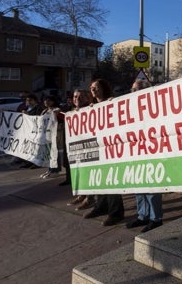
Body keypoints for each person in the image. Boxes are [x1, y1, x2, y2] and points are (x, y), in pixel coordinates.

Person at [82, 79, 125, 226]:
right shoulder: (92, 107)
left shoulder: (112, 102)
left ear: (104, 89)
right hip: (98, 148)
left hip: (112, 148)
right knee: (100, 178)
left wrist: (114, 104)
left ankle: (116, 212)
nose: (93, 90)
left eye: (96, 87)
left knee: (112, 180)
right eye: (91, 87)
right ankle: (101, 206)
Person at [126, 79, 164, 233]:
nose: (133, 93)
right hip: (135, 149)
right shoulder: (128, 106)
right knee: (138, 184)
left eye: (136, 90)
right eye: (132, 90)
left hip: (150, 149)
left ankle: (156, 218)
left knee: (151, 185)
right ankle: (143, 215)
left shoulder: (154, 105)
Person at [67, 89, 95, 206]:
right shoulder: (72, 112)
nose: (76, 99)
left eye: (80, 97)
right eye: (75, 96)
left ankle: (90, 198)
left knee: (89, 172)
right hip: (78, 148)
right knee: (80, 171)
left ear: (87, 98)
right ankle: (81, 194)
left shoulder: (92, 108)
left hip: (90, 147)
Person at [39, 95, 63, 179]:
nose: (46, 102)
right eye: (45, 100)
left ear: (53, 101)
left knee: (54, 152)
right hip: (46, 135)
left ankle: (55, 170)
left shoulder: (56, 110)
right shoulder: (45, 111)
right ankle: (50, 169)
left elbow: (62, 119)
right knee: (48, 153)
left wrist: (58, 114)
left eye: (49, 100)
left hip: (54, 134)